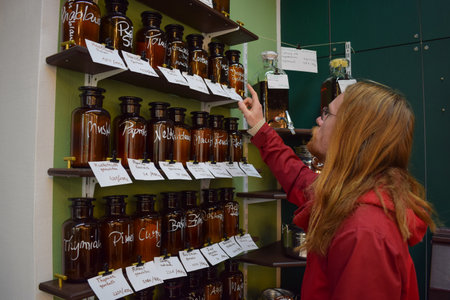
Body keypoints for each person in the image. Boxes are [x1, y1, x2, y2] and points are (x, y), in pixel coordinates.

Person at [238, 80, 436, 300]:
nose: (318, 120)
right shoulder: (351, 195)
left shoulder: (364, 231)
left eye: (327, 114)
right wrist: (259, 127)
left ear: (350, 133)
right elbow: (299, 179)